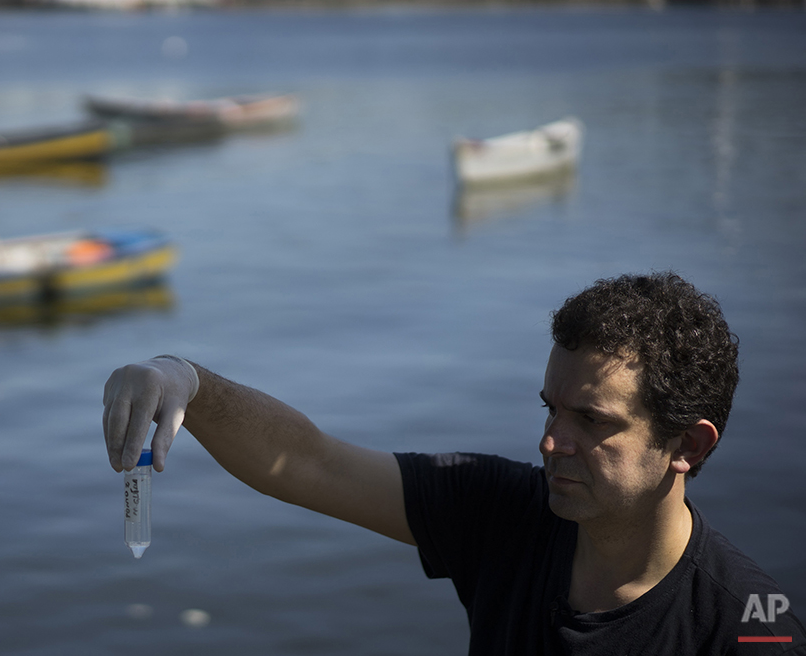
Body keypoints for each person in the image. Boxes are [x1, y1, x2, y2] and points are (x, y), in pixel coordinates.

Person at [102, 272, 804, 654]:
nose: (549, 442)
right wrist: (186, 378)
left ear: (689, 446)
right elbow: (308, 462)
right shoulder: (504, 511)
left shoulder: (747, 623)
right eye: (549, 409)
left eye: (590, 420)